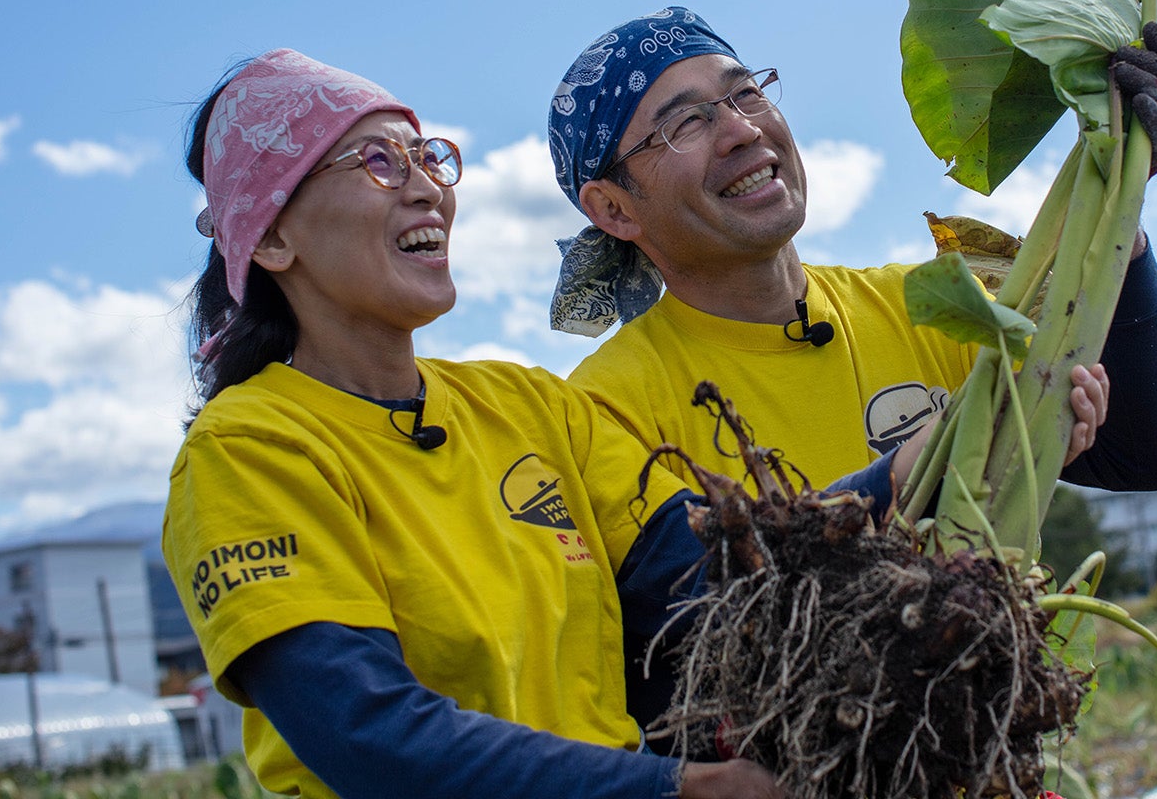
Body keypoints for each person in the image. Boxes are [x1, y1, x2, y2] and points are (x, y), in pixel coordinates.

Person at [164, 48, 927, 799]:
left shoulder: (528, 407)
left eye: (427, 157)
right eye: (377, 162)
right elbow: (368, 734)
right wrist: (665, 789)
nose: (427, 188)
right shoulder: (248, 451)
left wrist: (907, 472)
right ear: (269, 238)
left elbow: (720, 574)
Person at [546, 8, 1157, 498]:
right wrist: (911, 473)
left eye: (745, 94)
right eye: (685, 123)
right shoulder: (607, 410)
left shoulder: (936, 310)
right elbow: (685, 617)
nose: (742, 130)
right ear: (614, 208)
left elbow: (1143, 454)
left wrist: (1117, 211)